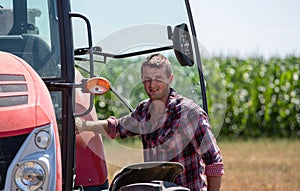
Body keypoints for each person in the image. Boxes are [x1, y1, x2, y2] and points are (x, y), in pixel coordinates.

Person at [76, 53, 224, 191]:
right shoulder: (144, 110)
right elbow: (118, 127)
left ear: (170, 79)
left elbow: (214, 161)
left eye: (158, 78)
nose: (152, 85)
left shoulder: (188, 112)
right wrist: (84, 126)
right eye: (147, 79)